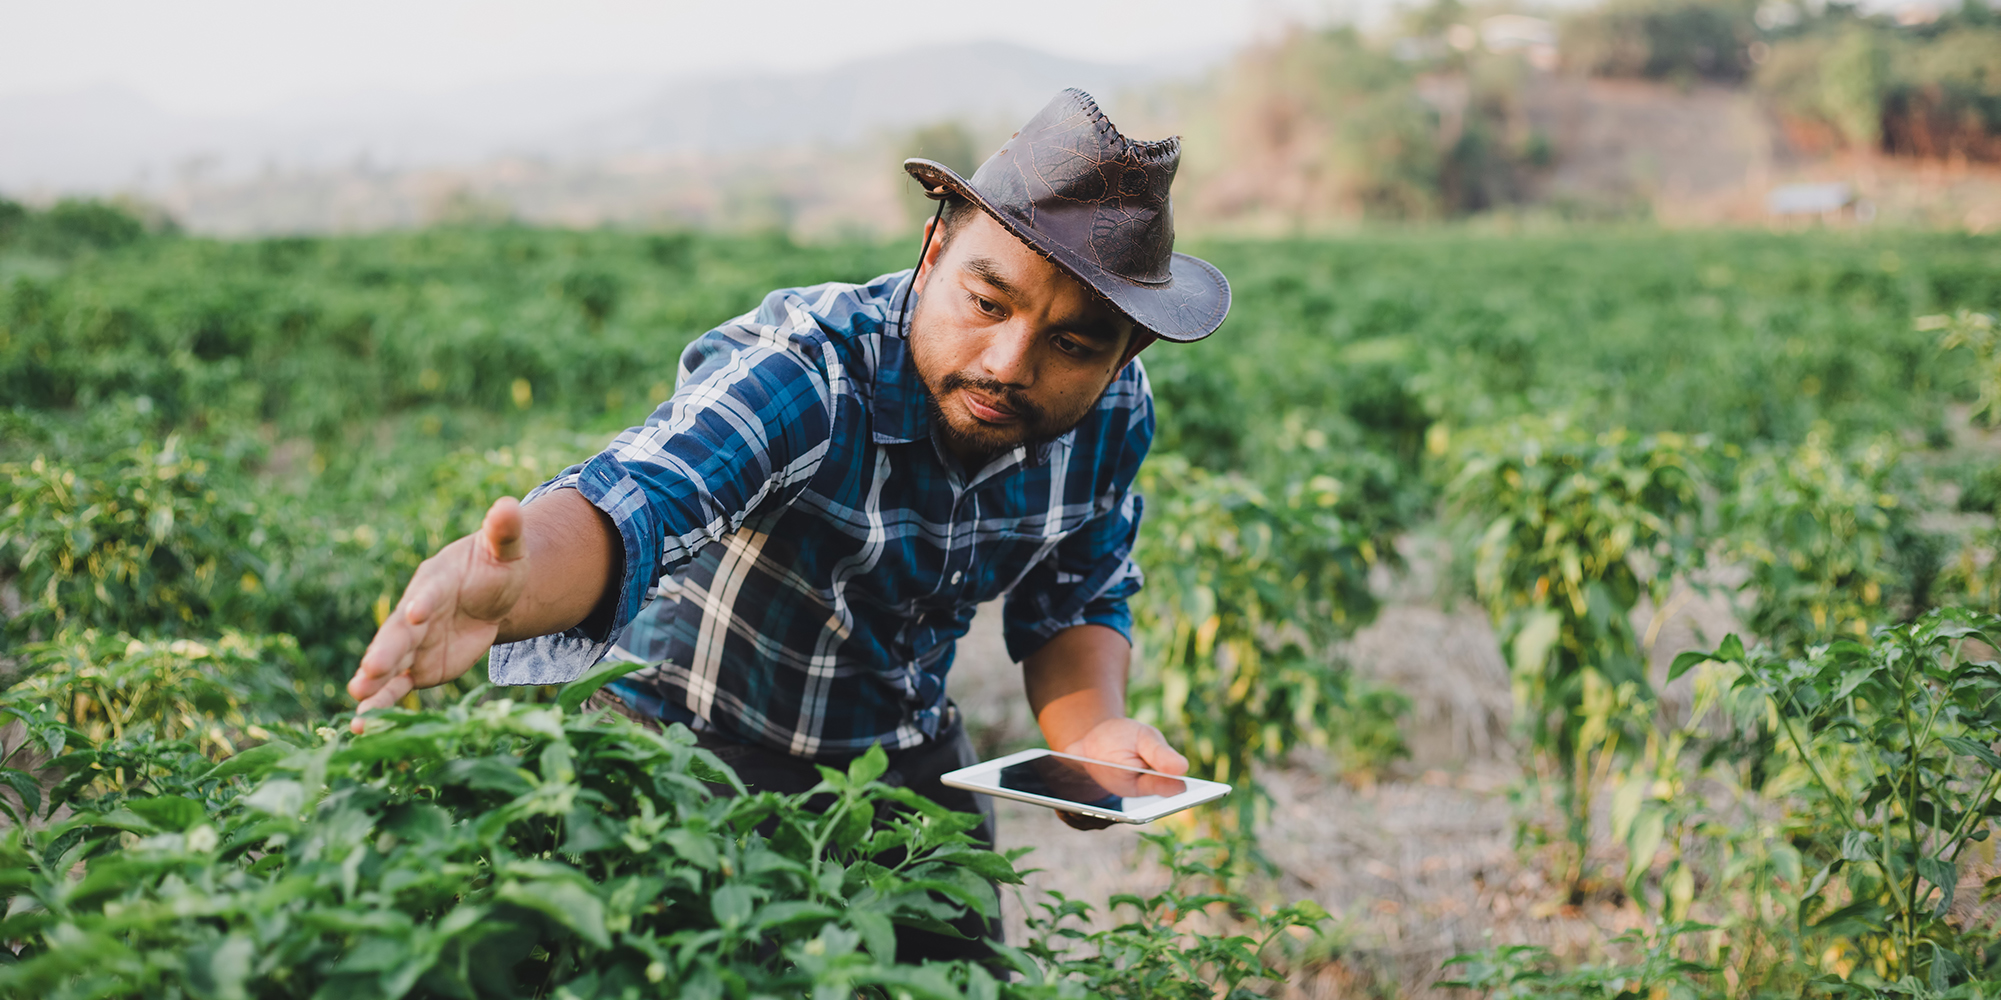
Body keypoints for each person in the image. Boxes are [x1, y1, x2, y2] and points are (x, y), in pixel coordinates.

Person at [344, 88, 1231, 963]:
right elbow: (645, 497)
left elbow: (1074, 593)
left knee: (962, 977)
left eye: (1074, 343)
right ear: (933, 253)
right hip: (680, 735)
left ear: (1127, 352)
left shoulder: (1113, 413)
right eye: (987, 303)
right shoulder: (812, 370)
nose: (1008, 364)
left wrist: (1092, 738)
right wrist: (517, 582)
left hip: (893, 748)